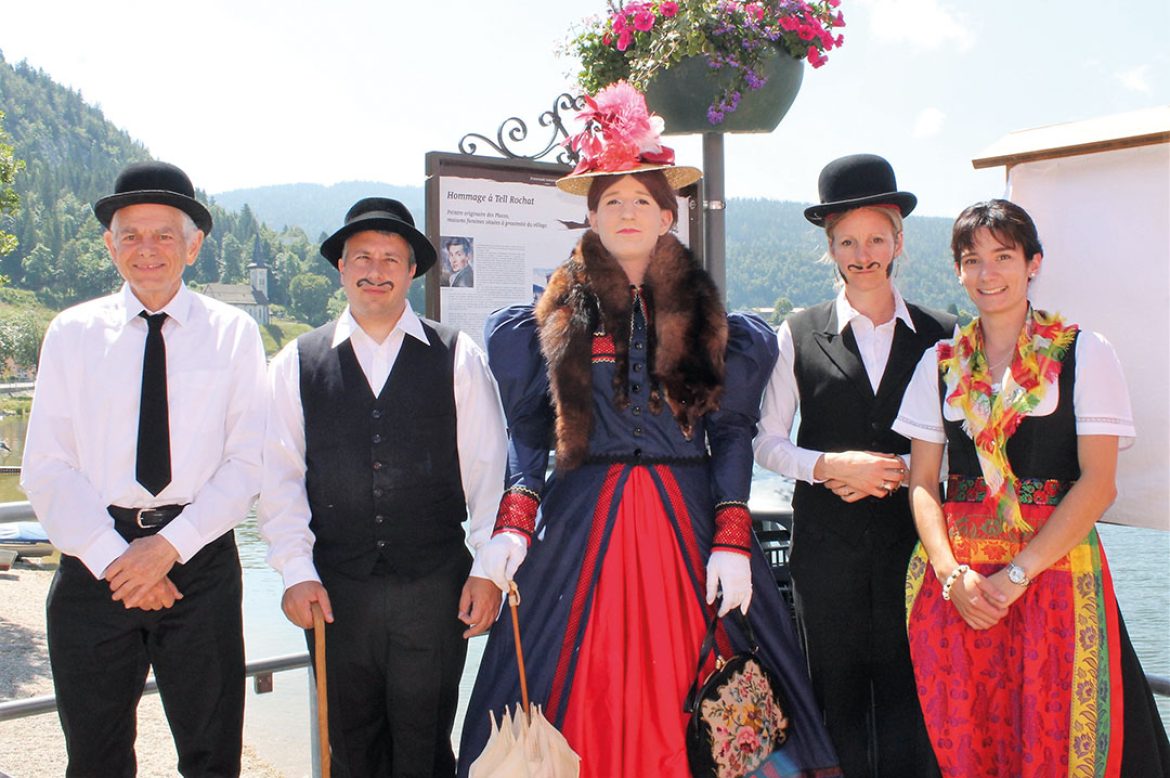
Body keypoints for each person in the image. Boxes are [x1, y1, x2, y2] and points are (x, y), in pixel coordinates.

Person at [458, 83, 841, 778]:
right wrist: (514, 522)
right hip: (582, 520)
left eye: (642, 200)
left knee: (710, 683)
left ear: (669, 214)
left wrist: (730, 537)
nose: (627, 212)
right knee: (558, 684)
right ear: (592, 218)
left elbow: (729, 435)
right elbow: (531, 431)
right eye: (612, 201)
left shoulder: (715, 325)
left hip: (687, 519)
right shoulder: (549, 318)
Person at [894, 199, 1170, 777]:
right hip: (963, 588)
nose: (987, 274)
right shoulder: (939, 364)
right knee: (967, 734)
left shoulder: (1083, 354)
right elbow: (923, 484)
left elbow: (1097, 486)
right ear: (958, 271)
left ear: (1033, 263)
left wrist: (1018, 576)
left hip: (1053, 577)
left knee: (1056, 731)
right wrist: (950, 576)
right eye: (973, 260)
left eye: (1003, 256)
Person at [21, 160, 267, 776]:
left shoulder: (233, 333)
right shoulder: (71, 333)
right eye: (130, 235)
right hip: (92, 562)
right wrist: (116, 557)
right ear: (109, 245)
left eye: (163, 234)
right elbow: (47, 466)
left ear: (194, 245)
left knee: (212, 756)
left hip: (200, 558)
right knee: (96, 757)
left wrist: (167, 548)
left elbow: (248, 461)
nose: (146, 249)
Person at [258, 197, 507, 777]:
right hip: (335, 592)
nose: (376, 269)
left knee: (425, 748)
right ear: (341, 268)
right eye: (362, 256)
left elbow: (490, 474)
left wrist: (488, 570)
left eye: (391, 257)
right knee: (350, 749)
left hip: (435, 590)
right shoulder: (295, 362)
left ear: (412, 270)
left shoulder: (457, 355)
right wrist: (296, 572)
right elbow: (280, 478)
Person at [754, 154, 952, 776]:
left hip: (914, 553)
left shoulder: (944, 336)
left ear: (898, 240)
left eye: (875, 238)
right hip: (826, 554)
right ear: (829, 247)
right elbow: (765, 441)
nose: (863, 253)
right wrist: (828, 465)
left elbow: (960, 449)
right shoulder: (797, 331)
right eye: (847, 241)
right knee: (832, 701)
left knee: (913, 699)